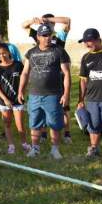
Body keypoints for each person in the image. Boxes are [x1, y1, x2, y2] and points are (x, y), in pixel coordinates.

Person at [18, 24, 71, 159]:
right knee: (34, 123)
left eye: (49, 35)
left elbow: (67, 73)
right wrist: (20, 91)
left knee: (54, 123)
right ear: (38, 37)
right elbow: (24, 73)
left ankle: (55, 150)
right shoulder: (31, 52)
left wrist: (66, 94)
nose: (47, 38)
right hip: (34, 94)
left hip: (53, 94)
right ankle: (35, 148)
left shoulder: (59, 51)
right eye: (44, 35)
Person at [0, 43, 31, 154]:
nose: (2, 56)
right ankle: (11, 145)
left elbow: (25, 79)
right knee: (7, 123)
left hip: (17, 100)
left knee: (20, 124)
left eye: (4, 53)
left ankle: (24, 143)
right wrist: (5, 99)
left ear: (8, 52)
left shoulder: (18, 65)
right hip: (4, 102)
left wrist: (22, 92)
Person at [78, 28, 102, 159]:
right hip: (92, 99)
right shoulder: (86, 57)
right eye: (85, 42)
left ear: (98, 40)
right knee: (94, 125)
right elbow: (83, 81)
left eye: (90, 41)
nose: (87, 44)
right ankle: (94, 149)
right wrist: (81, 100)